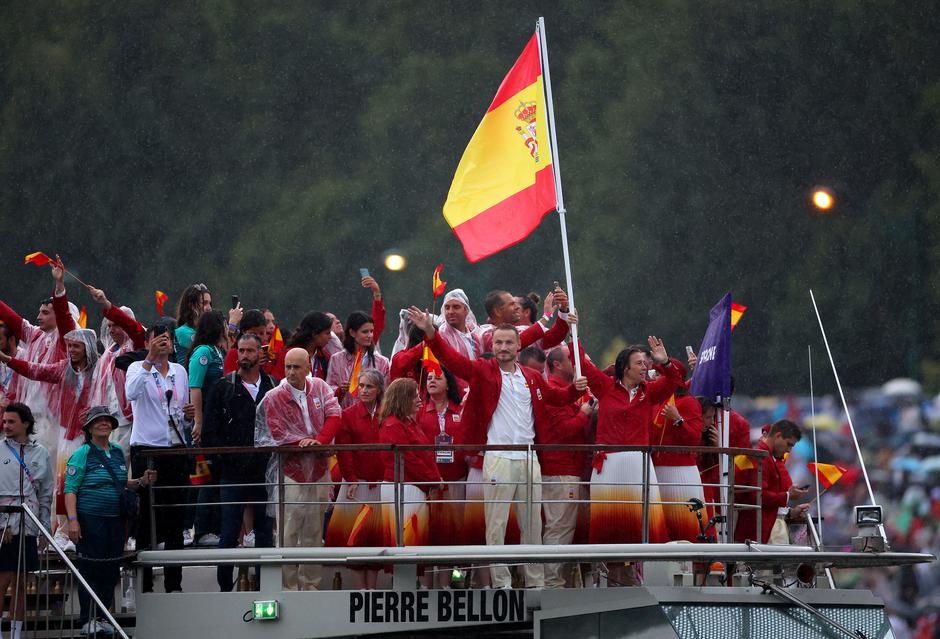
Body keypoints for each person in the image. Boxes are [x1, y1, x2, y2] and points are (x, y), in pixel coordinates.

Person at [410, 307, 588, 589]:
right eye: (498, 343)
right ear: (491, 346)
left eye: (508, 342)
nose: (503, 347)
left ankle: (535, 583)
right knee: (496, 526)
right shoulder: (483, 370)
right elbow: (451, 360)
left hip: (529, 458)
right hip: (498, 457)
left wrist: (576, 389)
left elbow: (558, 397)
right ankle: (501, 584)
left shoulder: (531, 376)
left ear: (519, 345)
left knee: (532, 525)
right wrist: (430, 332)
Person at [575, 337, 682, 585]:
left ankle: (633, 575)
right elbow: (581, 360)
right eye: (640, 363)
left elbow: (676, 380)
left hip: (638, 464)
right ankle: (613, 575)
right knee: (610, 525)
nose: (645, 367)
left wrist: (664, 361)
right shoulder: (605, 387)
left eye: (646, 363)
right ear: (625, 368)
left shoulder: (650, 392)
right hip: (609, 465)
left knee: (639, 525)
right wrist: (569, 323)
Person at [0, 326, 99, 551]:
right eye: (69, 345)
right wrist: (8, 359)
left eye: (76, 346)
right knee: (66, 483)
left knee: (89, 484)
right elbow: (36, 370)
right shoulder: (64, 369)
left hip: (95, 436)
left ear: (88, 347)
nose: (71, 350)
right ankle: (64, 531)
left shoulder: (99, 368)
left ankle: (87, 529)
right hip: (69, 435)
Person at [254, 347, 342, 591]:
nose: (291, 372)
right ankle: (288, 586)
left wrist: (320, 441)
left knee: (314, 530)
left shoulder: (321, 388)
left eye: (296, 367)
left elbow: (335, 415)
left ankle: (310, 583)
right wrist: (304, 444)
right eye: (287, 367)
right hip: (291, 471)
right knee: (288, 530)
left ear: (308, 368)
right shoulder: (274, 396)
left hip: (318, 468)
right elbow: (276, 432)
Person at [64, 406, 155, 636]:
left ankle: (103, 616)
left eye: (106, 421)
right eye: (98, 421)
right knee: (90, 567)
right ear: (90, 428)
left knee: (110, 568)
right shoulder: (82, 453)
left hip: (115, 519)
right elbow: (70, 490)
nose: (103, 424)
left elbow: (122, 483)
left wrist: (141, 481)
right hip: (90, 517)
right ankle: (87, 619)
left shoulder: (116, 451)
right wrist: (73, 521)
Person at [203, 333, 276, 591]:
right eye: (241, 350)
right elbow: (209, 431)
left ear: (260, 354)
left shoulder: (272, 386)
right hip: (232, 472)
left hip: (263, 471)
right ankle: (225, 587)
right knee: (229, 532)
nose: (244, 355)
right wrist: (221, 460)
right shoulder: (224, 387)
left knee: (264, 532)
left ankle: (264, 585)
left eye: (249, 351)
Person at [125, 323, 193, 593]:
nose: (164, 343)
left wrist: (188, 415)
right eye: (158, 339)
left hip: (175, 449)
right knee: (147, 518)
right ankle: (144, 585)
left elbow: (181, 414)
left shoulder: (179, 371)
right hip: (147, 450)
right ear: (148, 341)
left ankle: (173, 585)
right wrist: (150, 359)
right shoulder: (136, 368)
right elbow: (130, 393)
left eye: (168, 339)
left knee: (175, 518)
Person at [0, 260, 76, 487]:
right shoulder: (33, 335)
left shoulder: (66, 342)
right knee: (20, 478)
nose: (38, 316)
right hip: (27, 419)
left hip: (51, 422)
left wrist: (59, 285)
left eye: (45, 312)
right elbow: (10, 316)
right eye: (39, 311)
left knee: (48, 479)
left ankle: (49, 522)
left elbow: (64, 316)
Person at [326, 368, 386, 589]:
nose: (364, 390)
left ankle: (373, 587)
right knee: (356, 538)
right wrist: (351, 479)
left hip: (382, 485)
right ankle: (362, 589)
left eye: (369, 386)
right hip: (356, 485)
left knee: (377, 539)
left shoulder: (388, 413)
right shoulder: (348, 415)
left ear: (379, 389)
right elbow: (344, 452)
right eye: (361, 385)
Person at [540, 345, 593, 588]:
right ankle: (553, 584)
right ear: (558, 364)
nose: (577, 364)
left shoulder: (563, 390)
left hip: (568, 469)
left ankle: (562, 582)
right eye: (572, 359)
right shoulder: (552, 389)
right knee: (559, 528)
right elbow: (563, 432)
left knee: (565, 529)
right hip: (560, 470)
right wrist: (584, 414)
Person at [0, 403, 53, 639]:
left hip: (29, 522)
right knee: (2, 580)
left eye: (11, 421)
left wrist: (44, 530)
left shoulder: (41, 452)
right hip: (5, 523)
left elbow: (45, 494)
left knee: (22, 583)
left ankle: (16, 634)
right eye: (5, 421)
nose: (6, 426)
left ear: (26, 423)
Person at [86, 285, 146, 468]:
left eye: (116, 325)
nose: (111, 330)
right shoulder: (108, 354)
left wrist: (105, 303)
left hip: (128, 419)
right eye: (109, 326)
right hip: (108, 419)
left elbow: (134, 328)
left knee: (121, 466)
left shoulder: (137, 346)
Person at [417, 366, 466, 589]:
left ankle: (453, 582)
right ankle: (425, 584)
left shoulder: (460, 409)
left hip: (456, 480)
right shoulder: (419, 411)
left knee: (455, 535)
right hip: (428, 484)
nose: (432, 381)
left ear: (449, 384)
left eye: (437, 377)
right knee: (427, 534)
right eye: (428, 378)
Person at [378, 378, 440, 549]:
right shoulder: (393, 425)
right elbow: (410, 460)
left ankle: (412, 576)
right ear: (403, 398)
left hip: (413, 486)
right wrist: (433, 479)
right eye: (414, 396)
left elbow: (423, 456)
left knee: (414, 539)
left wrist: (433, 478)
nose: (419, 399)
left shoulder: (408, 422)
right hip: (403, 486)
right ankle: (401, 576)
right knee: (406, 539)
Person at [733, 419, 809, 544]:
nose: (789, 450)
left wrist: (790, 511)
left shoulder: (769, 458)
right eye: (788, 444)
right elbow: (757, 495)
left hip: (767, 526)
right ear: (778, 436)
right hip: (761, 529)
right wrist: (788, 495)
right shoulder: (761, 457)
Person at [188, 309, 228, 546]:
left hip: (218, 423)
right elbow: (195, 387)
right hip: (206, 424)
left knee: (216, 476)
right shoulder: (202, 352)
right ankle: (201, 530)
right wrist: (199, 422)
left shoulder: (218, 351)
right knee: (204, 478)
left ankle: (213, 527)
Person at [652, 384, 706, 543]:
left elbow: (694, 439)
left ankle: (693, 565)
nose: (656, 378)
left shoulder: (689, 402)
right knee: (661, 528)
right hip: (657, 471)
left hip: (681, 471)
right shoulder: (655, 401)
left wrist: (678, 419)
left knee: (686, 527)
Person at [326, 311, 391, 409]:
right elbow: (328, 390)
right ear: (352, 332)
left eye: (371, 331)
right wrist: (340, 390)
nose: (370, 335)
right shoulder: (337, 359)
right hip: (345, 417)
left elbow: (386, 393)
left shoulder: (382, 362)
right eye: (365, 332)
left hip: (372, 418)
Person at [270, 311, 334, 382]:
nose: (330, 337)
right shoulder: (288, 355)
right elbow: (277, 383)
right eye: (327, 333)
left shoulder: (325, 357)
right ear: (314, 334)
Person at [436, 289, 484, 361]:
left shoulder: (474, 335)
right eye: (447, 308)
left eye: (456, 307)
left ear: (466, 310)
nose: (450, 312)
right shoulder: (442, 335)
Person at [222, 309, 272, 375]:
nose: (258, 337)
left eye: (262, 333)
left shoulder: (270, 351)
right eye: (253, 334)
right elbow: (230, 380)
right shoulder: (234, 354)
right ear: (244, 332)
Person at [173, 283, 212, 364]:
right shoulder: (182, 331)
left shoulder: (203, 330)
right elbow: (210, 348)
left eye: (210, 303)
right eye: (205, 303)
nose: (209, 308)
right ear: (192, 306)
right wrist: (231, 326)